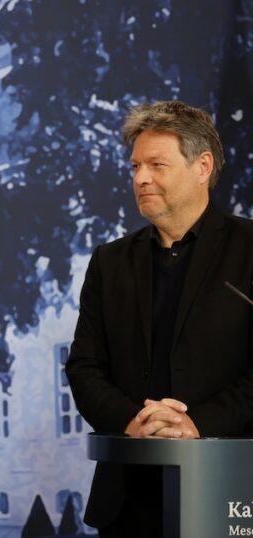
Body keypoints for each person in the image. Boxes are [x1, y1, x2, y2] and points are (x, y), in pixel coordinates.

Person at [67, 100, 253, 536]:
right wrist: (133, 422)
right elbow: (84, 367)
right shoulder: (109, 261)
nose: (140, 178)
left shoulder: (250, 249)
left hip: (231, 492)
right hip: (128, 500)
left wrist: (196, 425)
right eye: (134, 166)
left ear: (202, 166)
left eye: (156, 165)